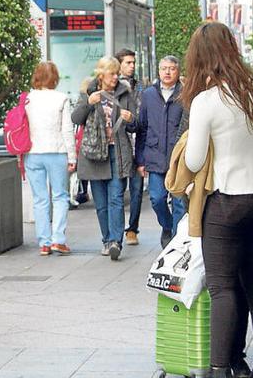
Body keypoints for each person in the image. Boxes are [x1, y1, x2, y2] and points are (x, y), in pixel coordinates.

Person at [181, 21, 253, 378]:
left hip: (226, 201)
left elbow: (195, 161)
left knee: (222, 287)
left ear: (200, 57)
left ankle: (218, 369)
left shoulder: (206, 101)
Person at [71, 57, 137, 261]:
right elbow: (75, 119)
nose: (116, 77)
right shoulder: (89, 93)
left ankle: (116, 241)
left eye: (117, 73)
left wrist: (131, 119)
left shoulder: (125, 93)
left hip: (117, 151)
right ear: (101, 75)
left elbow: (136, 124)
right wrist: (88, 104)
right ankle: (107, 240)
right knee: (101, 203)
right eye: (112, 74)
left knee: (116, 197)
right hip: (93, 154)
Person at [24, 61, 77, 256]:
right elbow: (67, 129)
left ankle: (44, 243)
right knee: (60, 196)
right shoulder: (61, 98)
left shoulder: (28, 99)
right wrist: (72, 156)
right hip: (56, 151)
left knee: (40, 199)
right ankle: (58, 240)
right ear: (55, 78)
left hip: (33, 152)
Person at [135, 56, 186, 248]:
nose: (167, 72)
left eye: (171, 68)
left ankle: (176, 240)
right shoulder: (148, 94)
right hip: (154, 156)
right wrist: (140, 159)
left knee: (180, 202)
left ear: (178, 71)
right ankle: (167, 225)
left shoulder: (185, 94)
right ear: (158, 71)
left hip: (178, 158)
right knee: (157, 199)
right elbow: (142, 127)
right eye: (164, 68)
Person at [115, 48, 144, 246]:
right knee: (117, 190)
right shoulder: (112, 87)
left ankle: (132, 228)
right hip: (119, 142)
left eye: (133, 62)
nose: (132, 66)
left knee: (137, 189)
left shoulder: (141, 87)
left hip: (138, 141)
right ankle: (116, 232)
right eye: (127, 62)